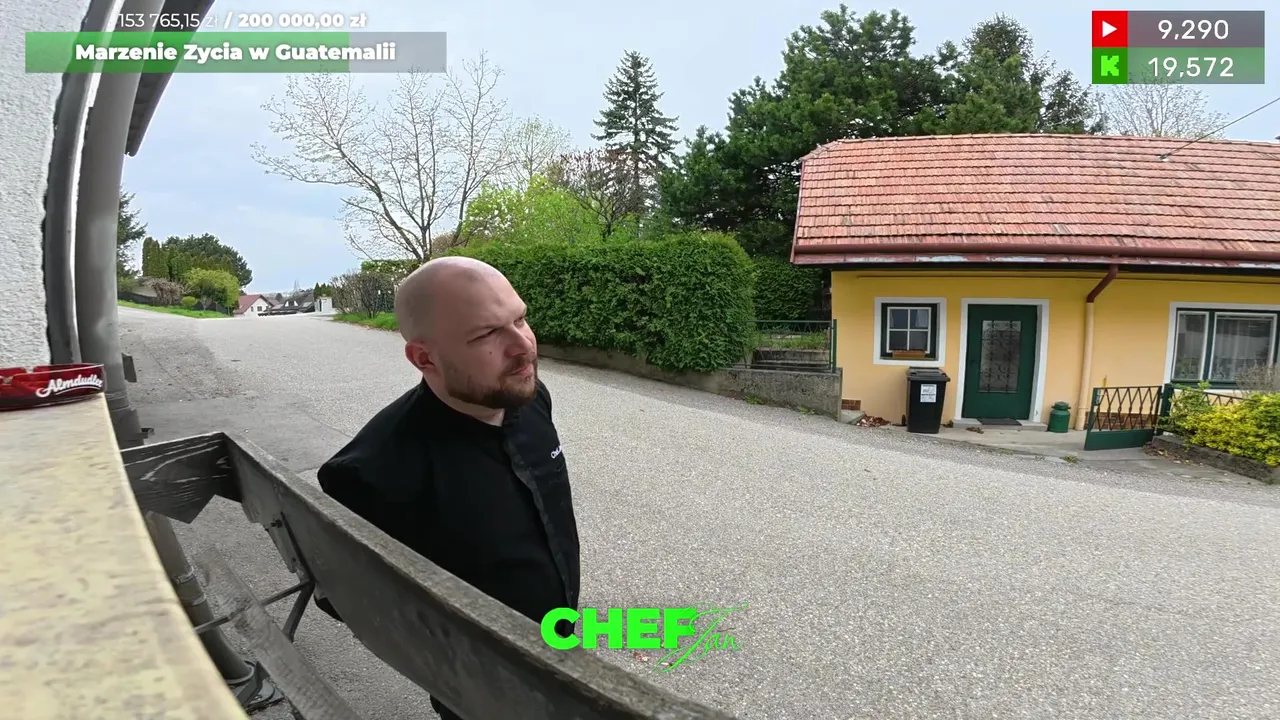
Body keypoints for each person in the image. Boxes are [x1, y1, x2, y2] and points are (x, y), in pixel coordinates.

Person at [314, 256, 580, 720]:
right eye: (487, 334)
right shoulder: (371, 471)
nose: (524, 346)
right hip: (478, 685)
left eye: (520, 319)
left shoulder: (529, 397)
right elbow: (350, 599)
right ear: (424, 358)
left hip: (559, 639)